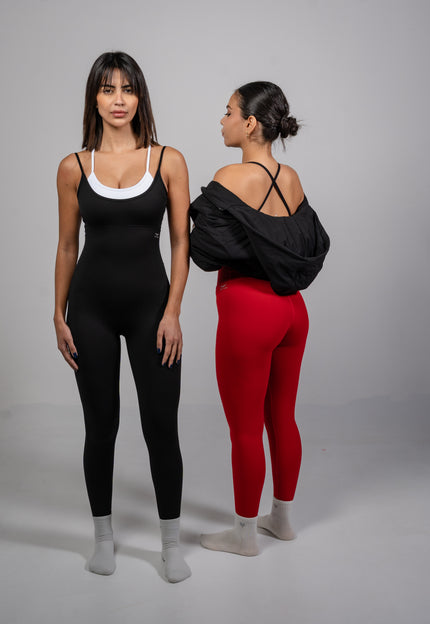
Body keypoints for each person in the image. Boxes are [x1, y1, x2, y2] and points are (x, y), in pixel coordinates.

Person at [54, 52, 191, 582]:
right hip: (89, 310)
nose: (118, 100)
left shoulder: (168, 160)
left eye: (128, 89)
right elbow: (68, 246)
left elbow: (181, 244)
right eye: (108, 89)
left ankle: (171, 545)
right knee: (100, 426)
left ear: (140, 98)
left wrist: (173, 311)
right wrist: (58, 313)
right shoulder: (73, 166)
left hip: (151, 311)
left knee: (161, 426)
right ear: (94, 97)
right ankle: (103, 539)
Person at [190, 81, 329, 556]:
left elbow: (204, 252)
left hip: (249, 311)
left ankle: (245, 534)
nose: (222, 119)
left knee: (245, 429)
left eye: (228, 112)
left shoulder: (231, 176)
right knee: (282, 418)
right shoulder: (291, 178)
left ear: (250, 123)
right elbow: (306, 244)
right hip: (292, 312)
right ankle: (282, 521)